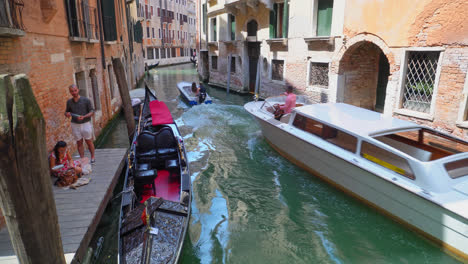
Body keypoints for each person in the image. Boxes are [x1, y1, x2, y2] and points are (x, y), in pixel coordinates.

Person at [65, 84, 96, 163]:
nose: (74, 92)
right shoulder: (69, 102)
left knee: (89, 141)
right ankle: (82, 158)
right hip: (75, 124)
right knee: (79, 142)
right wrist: (67, 114)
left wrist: (84, 116)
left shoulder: (86, 100)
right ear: (70, 92)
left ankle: (92, 156)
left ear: (78, 90)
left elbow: (92, 111)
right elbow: (67, 112)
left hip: (86, 123)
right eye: (72, 91)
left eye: (75, 90)